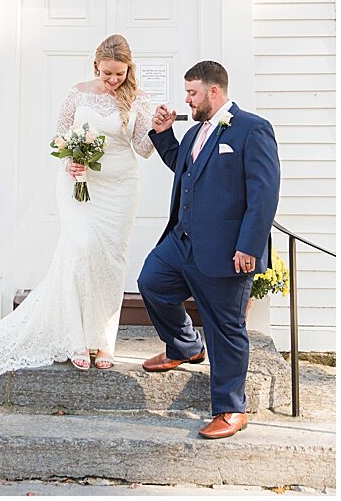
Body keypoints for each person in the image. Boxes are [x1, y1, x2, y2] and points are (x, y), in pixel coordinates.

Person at [0, 34, 155, 388]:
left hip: (120, 189)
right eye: (108, 73)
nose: (114, 81)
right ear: (96, 64)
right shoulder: (77, 92)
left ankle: (102, 340)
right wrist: (72, 161)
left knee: (110, 259)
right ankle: (74, 337)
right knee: (80, 248)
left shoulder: (138, 99)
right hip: (78, 185)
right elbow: (59, 137)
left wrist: (158, 128)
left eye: (121, 74)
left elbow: (143, 149)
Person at [139, 60, 279, 440]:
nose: (187, 99)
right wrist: (163, 134)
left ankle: (232, 409)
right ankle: (184, 345)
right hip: (181, 242)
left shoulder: (252, 129)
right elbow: (183, 168)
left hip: (226, 250)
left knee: (225, 327)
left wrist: (248, 246)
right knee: (151, 282)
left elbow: (264, 194)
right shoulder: (195, 132)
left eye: (192, 92)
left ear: (213, 91)